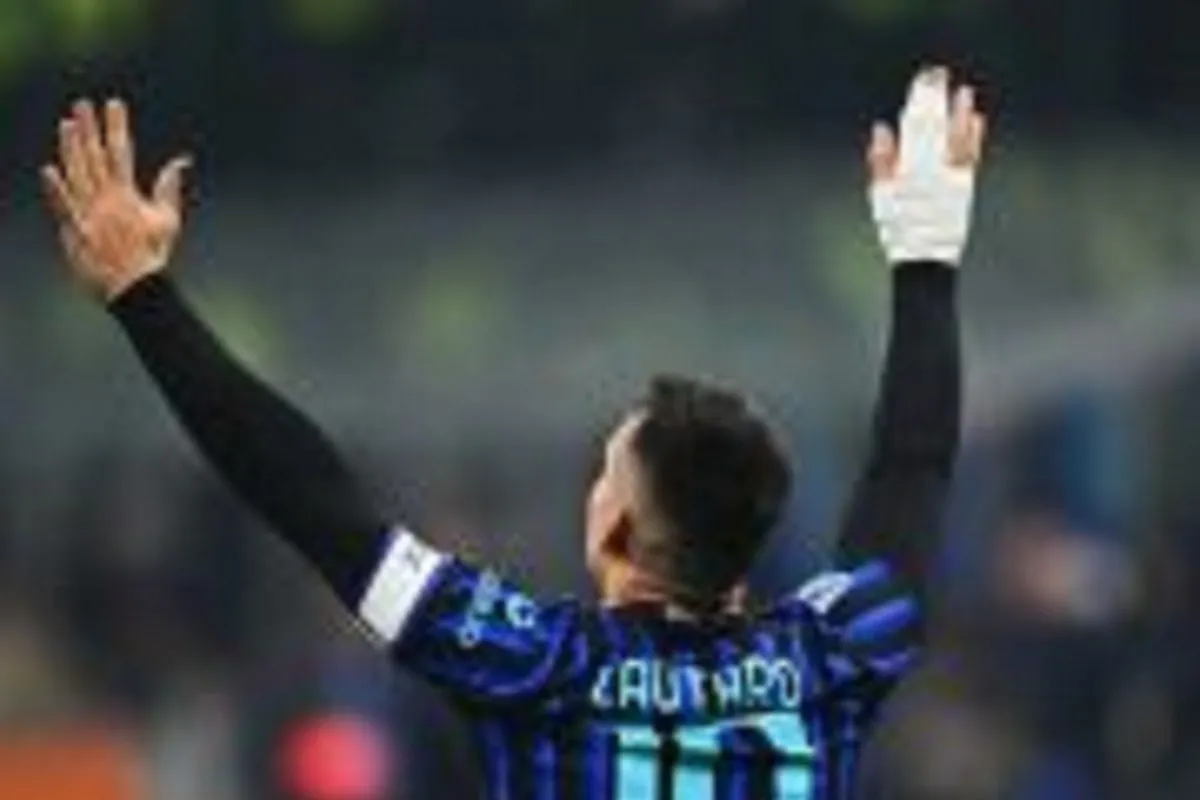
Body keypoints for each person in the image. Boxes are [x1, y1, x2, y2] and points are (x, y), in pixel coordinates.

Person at [42, 66, 984, 798]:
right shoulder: (827, 657)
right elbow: (914, 466)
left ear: (614, 530)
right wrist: (926, 257)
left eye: (607, 475)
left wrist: (144, 298)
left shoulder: (536, 666)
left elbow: (310, 501)